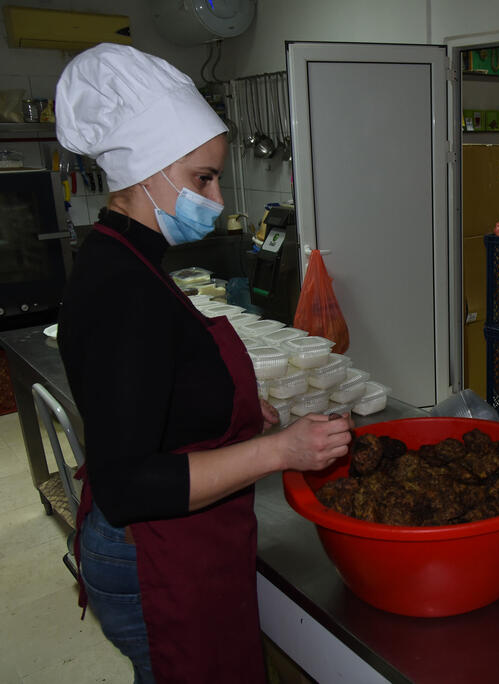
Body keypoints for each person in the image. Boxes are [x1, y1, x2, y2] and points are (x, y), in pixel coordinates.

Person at [55, 44, 352, 683]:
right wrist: (280, 451)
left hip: (179, 544)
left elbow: (153, 397)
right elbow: (127, 485)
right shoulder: (119, 288)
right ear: (144, 171)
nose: (215, 200)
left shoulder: (127, 258)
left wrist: (233, 408)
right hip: (154, 558)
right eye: (202, 180)